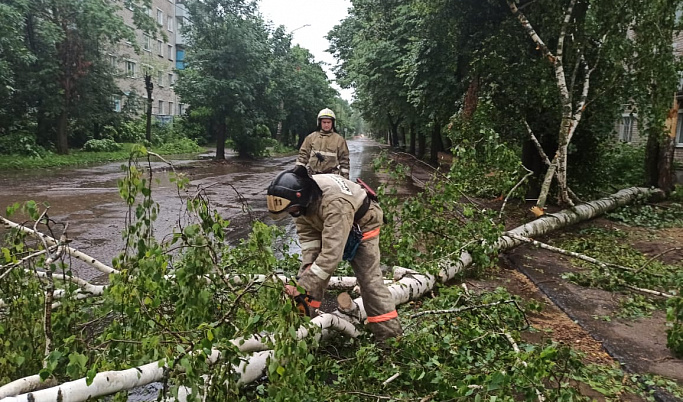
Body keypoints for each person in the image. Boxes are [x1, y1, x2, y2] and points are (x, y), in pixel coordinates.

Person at [266, 166, 402, 342]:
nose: (291, 214)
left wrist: (304, 285)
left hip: (363, 222)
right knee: (310, 275)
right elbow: (309, 239)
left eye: (291, 211)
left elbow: (331, 256)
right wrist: (305, 275)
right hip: (328, 219)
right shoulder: (299, 203)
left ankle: (390, 338)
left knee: (369, 282)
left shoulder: (335, 204)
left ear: (302, 197)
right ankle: (303, 331)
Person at [296, 108, 350, 179]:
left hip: (331, 177)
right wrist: (297, 172)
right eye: (324, 122)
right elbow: (303, 156)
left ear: (333, 123)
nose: (326, 125)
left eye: (328, 122)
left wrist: (345, 179)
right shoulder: (311, 138)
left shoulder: (339, 140)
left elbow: (344, 161)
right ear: (320, 123)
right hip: (312, 176)